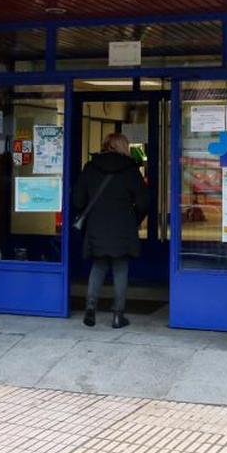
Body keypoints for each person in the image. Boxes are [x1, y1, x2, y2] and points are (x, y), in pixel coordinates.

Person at [71, 132, 149, 329]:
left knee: (98, 267)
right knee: (120, 268)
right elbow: (143, 202)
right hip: (123, 227)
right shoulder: (131, 170)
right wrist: (134, 220)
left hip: (97, 226)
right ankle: (117, 315)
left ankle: (90, 309)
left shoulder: (90, 168)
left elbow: (77, 200)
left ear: (105, 145)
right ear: (123, 146)